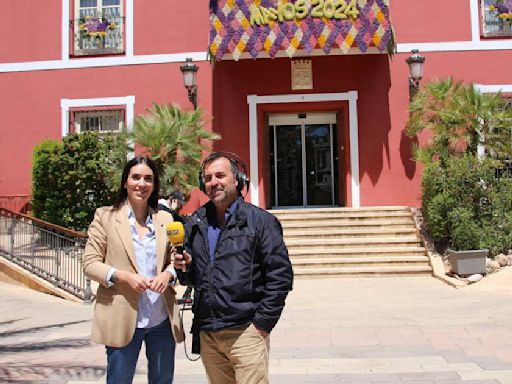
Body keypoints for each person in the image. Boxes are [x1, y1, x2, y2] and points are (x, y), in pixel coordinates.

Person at [175, 151, 293, 384]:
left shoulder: (261, 222)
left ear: (237, 180)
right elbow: (189, 279)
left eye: (220, 175)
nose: (213, 182)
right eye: (208, 178)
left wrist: (261, 325)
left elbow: (280, 276)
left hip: (246, 332)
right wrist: (184, 267)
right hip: (208, 332)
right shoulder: (195, 223)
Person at [82, 155, 184, 384]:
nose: (142, 184)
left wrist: (169, 274)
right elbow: (90, 263)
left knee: (162, 381)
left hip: (161, 320)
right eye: (136, 177)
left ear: (154, 184)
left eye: (148, 179)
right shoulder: (105, 217)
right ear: (125, 182)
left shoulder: (165, 218)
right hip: (122, 317)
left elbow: (175, 260)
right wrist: (123, 276)